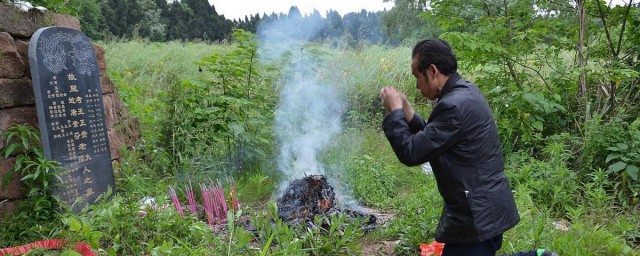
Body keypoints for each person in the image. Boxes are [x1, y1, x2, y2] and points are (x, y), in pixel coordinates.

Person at [379, 39, 557, 256]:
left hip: (476, 216)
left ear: (432, 70)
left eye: (417, 76)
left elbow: (411, 152)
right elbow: (435, 138)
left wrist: (395, 113)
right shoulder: (466, 92)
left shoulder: (453, 105)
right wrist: (407, 111)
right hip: (480, 209)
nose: (417, 85)